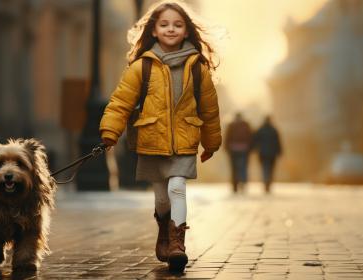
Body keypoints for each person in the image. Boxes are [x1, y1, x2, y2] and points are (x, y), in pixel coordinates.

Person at [99, 1, 221, 273]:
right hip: (152, 141)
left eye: (177, 24)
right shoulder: (141, 67)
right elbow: (121, 102)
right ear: (153, 31)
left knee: (177, 188)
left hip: (184, 140)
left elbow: (209, 108)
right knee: (161, 198)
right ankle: (164, 230)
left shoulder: (197, 67)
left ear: (187, 31)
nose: (171, 29)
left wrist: (211, 142)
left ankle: (177, 244)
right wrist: (110, 132)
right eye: (164, 24)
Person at [252, 116, 282, 193]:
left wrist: (254, 149)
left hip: (263, 153)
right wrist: (279, 152)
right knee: (271, 169)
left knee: (265, 168)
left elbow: (255, 140)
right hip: (272, 153)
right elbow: (278, 142)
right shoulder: (274, 130)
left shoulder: (260, 129)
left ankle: (266, 182)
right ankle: (268, 183)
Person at [225, 112, 252, 193]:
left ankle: (235, 185)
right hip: (244, 149)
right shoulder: (246, 125)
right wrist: (250, 148)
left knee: (234, 168)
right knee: (243, 167)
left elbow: (227, 137)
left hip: (233, 150)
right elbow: (250, 137)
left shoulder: (231, 125)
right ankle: (243, 183)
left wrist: (226, 148)